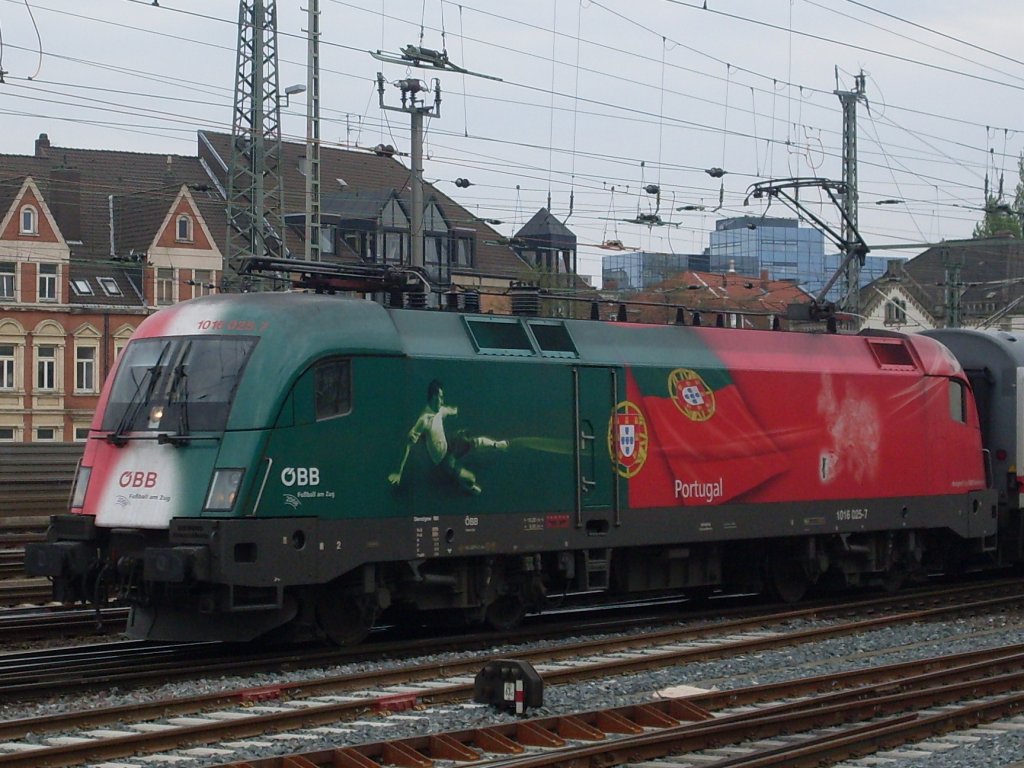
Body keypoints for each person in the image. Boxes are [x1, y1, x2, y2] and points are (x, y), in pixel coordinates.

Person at [388, 379, 507, 494]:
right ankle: (466, 486)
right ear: (433, 398)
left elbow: (449, 410)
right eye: (440, 398)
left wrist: (456, 411)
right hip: (443, 459)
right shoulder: (424, 420)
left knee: (472, 440)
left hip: (448, 443)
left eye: (442, 397)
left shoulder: (440, 410)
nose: (442, 401)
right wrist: (398, 472)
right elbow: (407, 446)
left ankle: (496, 445)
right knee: (471, 478)